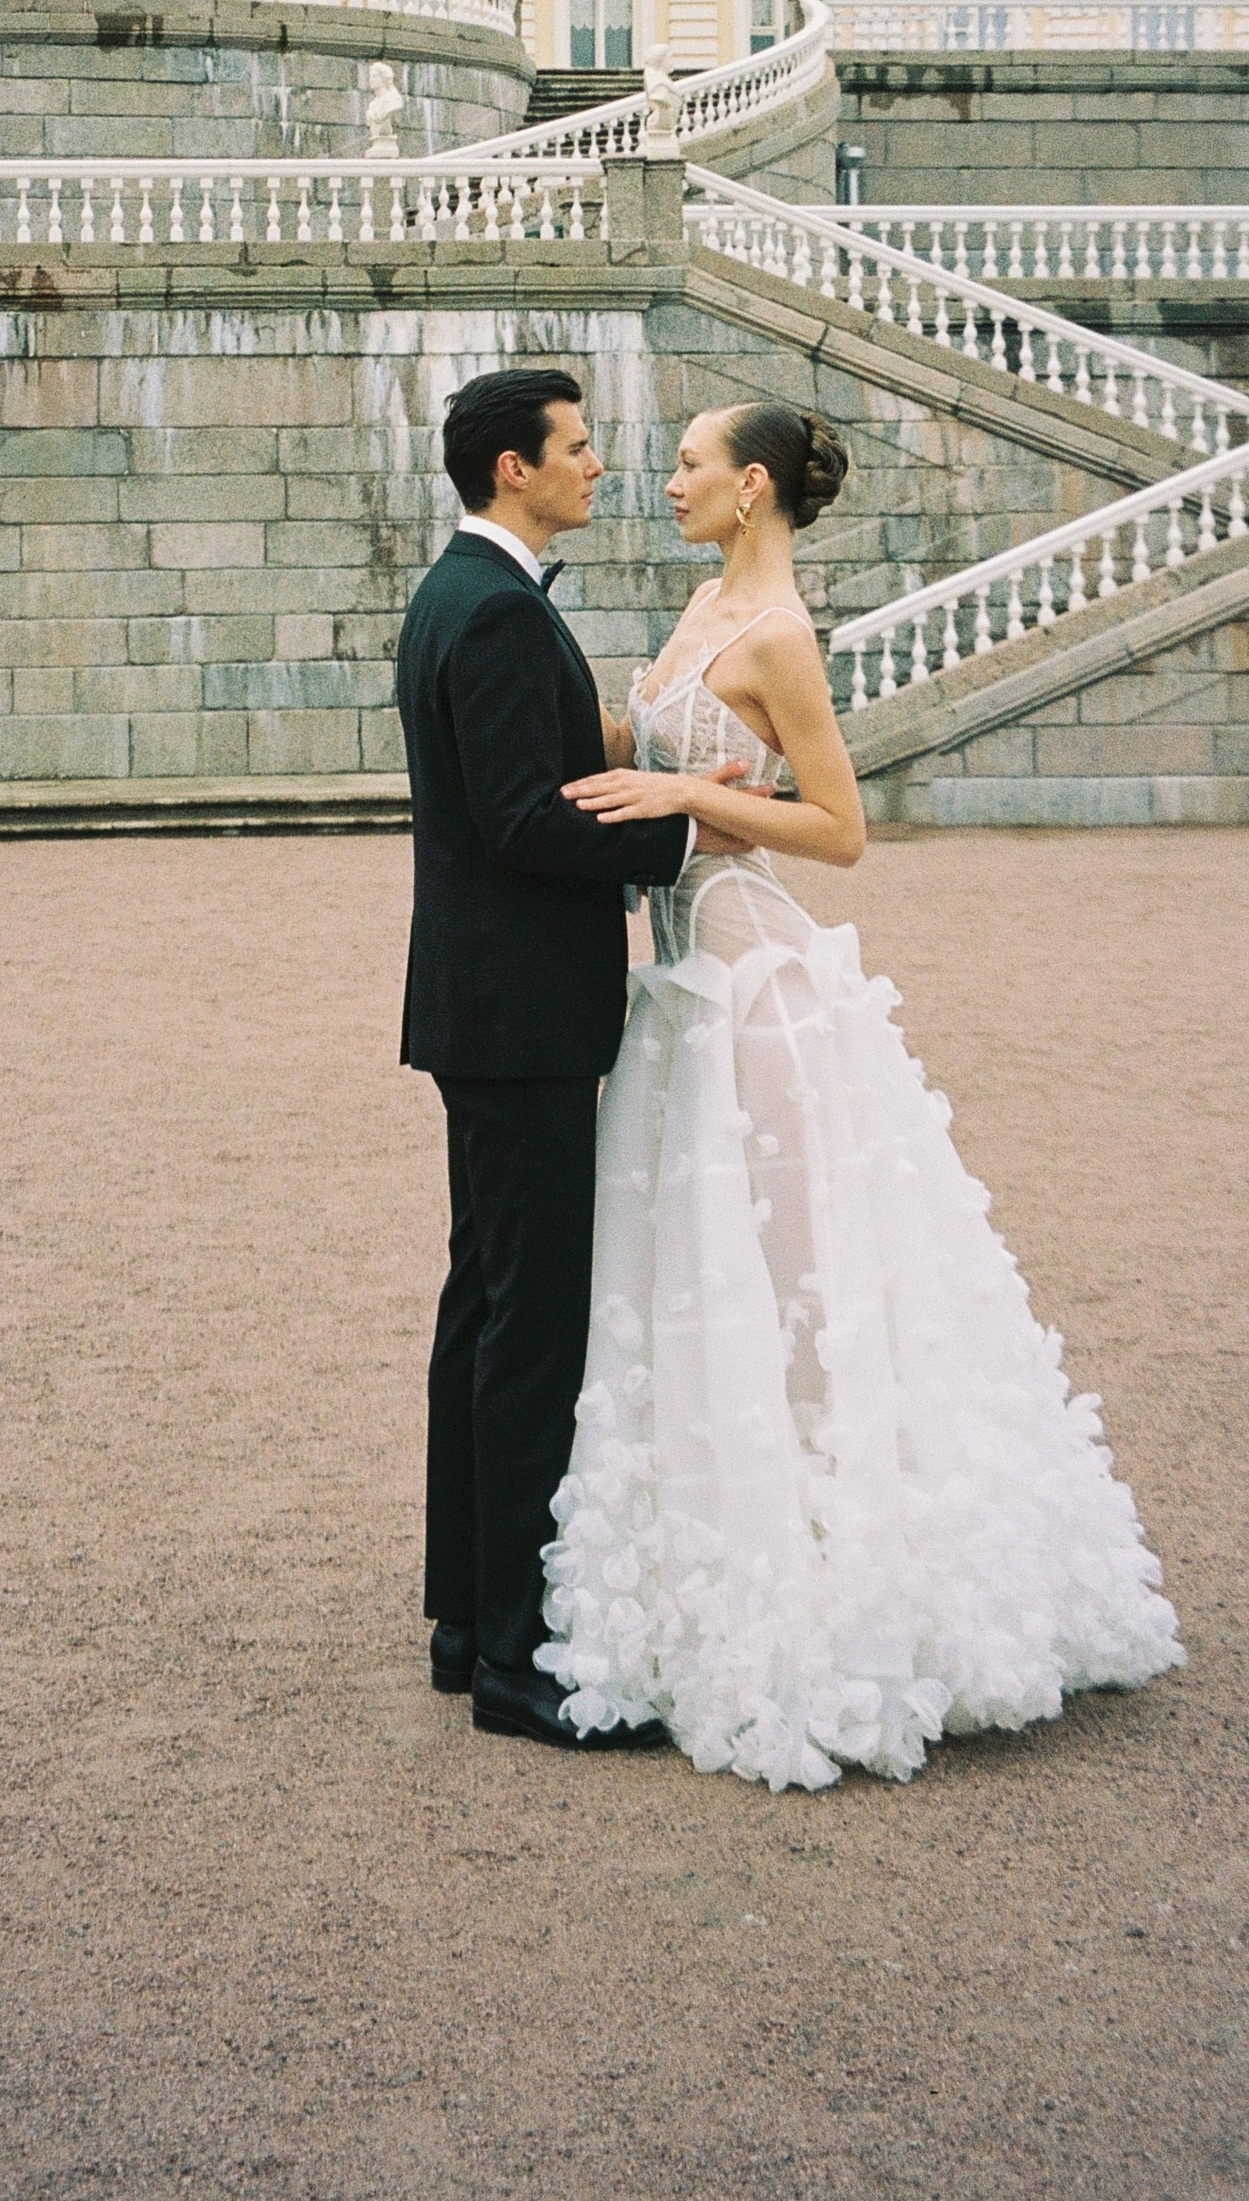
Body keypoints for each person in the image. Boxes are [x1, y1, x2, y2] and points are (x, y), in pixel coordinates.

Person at [543, 399, 1184, 1791]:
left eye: (691, 464)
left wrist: (679, 805)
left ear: (752, 485)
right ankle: (729, 1552)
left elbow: (840, 831)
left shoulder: (776, 635)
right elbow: (645, 740)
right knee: (705, 1280)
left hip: (757, 978)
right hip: (684, 983)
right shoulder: (706, 599)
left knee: (790, 1276)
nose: (665, 480)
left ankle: (842, 1568)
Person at [395, 365, 750, 1749]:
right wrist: (685, 836)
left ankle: (460, 1614)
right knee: (527, 1327)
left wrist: (661, 780)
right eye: (580, 448)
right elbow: (523, 827)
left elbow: (538, 785)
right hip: (519, 1016)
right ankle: (512, 1660)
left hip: (490, 1012)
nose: (601, 466)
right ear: (510, 471)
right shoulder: (490, 611)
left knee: (484, 1308)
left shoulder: (470, 595)